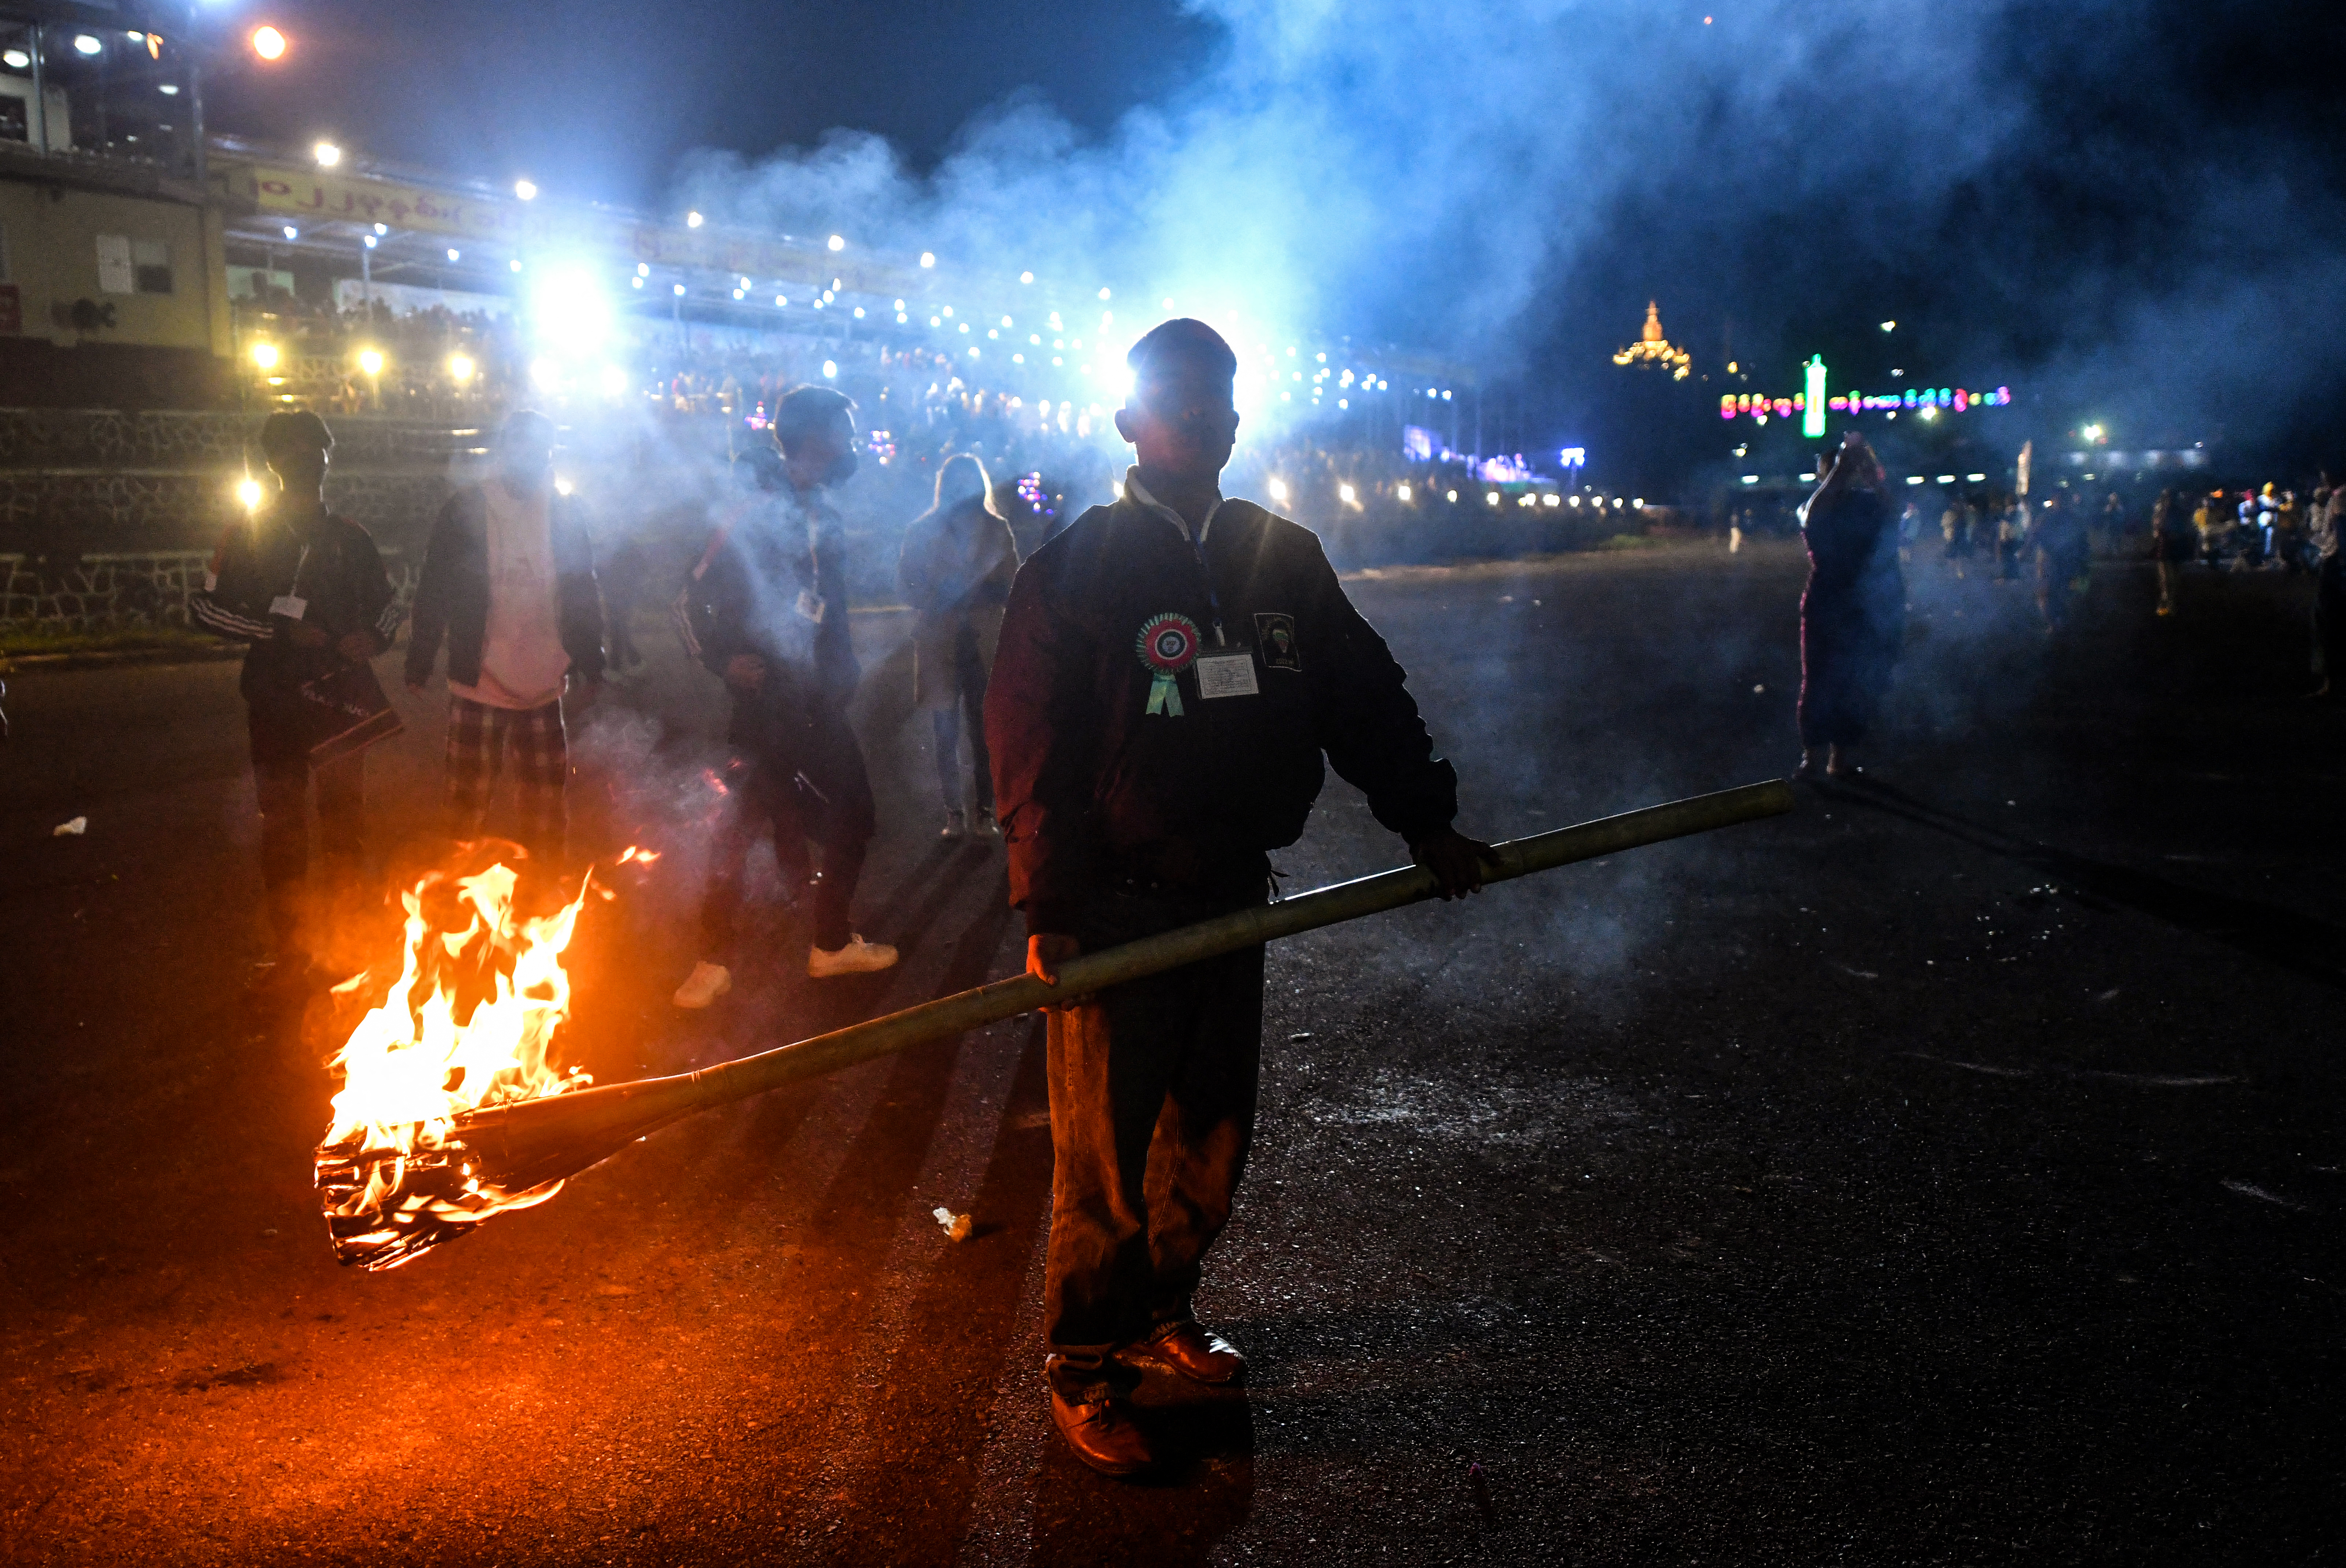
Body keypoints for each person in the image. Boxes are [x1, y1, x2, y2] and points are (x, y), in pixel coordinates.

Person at [985, 318, 1493, 1476]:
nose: (1200, 417)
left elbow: (1362, 697)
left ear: (1235, 417)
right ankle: (1084, 1362)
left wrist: (1425, 818)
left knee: (1210, 1133)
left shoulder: (1282, 556)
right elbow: (1028, 747)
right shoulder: (1073, 568)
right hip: (1115, 908)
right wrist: (1046, 905)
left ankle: (1162, 1309)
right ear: (1129, 420)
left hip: (1233, 895)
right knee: (1104, 1158)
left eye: (1216, 398)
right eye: (1176, 399)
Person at [672, 385, 897, 1006]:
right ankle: (713, 961)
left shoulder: (826, 511)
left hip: (819, 706)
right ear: (815, 434)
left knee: (851, 817)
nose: (853, 438)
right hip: (767, 708)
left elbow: (830, 606)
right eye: (845, 426)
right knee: (738, 830)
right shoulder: (749, 507)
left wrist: (843, 669)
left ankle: (828, 943)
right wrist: (722, 660)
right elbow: (687, 599)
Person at [192, 411, 401, 982]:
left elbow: (389, 605)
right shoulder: (247, 534)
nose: (309, 461)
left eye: (317, 451)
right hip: (277, 703)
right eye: (295, 452)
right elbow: (205, 609)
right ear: (273, 463)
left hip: (342, 702)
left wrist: (373, 638)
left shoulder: (352, 537)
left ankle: (347, 947)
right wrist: (277, 631)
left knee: (344, 828)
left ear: (328, 461)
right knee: (282, 825)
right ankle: (292, 950)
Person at [404, 410, 605, 864]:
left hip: (543, 683)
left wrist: (592, 661)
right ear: (504, 453)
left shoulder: (563, 512)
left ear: (548, 455)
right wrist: (420, 658)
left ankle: (542, 894)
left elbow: (581, 589)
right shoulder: (467, 509)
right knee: (464, 811)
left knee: (545, 813)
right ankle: (454, 898)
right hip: (480, 682)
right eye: (521, 449)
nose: (530, 460)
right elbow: (434, 588)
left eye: (539, 451)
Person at [900, 453, 1020, 839]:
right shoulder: (921, 531)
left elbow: (1013, 583)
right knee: (945, 731)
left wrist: (980, 592)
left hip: (981, 640)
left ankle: (983, 810)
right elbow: (907, 584)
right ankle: (955, 812)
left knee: (983, 732)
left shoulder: (997, 528)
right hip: (941, 639)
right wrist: (940, 597)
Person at [1794, 430, 1904, 779]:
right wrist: (1843, 465)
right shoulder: (1813, 506)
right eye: (1833, 471)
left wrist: (1869, 469)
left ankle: (1838, 759)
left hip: (1867, 602)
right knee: (1819, 679)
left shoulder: (1869, 504)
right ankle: (1812, 757)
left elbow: (1895, 513)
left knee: (1857, 681)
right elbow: (1813, 516)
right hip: (1828, 602)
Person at [2032, 492, 2091, 634]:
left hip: (2065, 564)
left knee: (2060, 593)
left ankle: (2060, 623)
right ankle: (2057, 623)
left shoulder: (2070, 519)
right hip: (2055, 564)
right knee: (2051, 594)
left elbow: (2082, 543)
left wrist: (2082, 564)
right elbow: (2038, 537)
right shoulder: (2049, 519)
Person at [2312, 481, 2346, 699]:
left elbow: (2342, 531)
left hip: (2336, 564)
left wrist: (2342, 563)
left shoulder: (2341, 496)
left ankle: (2331, 683)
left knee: (2327, 620)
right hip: (2337, 563)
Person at [2151, 487, 2194, 615]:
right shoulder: (2162, 509)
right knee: (2165, 577)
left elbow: (2184, 528)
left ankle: (2171, 602)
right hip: (2165, 544)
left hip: (2173, 544)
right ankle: (2167, 601)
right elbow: (2156, 527)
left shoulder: (2177, 511)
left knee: (2174, 577)